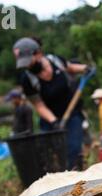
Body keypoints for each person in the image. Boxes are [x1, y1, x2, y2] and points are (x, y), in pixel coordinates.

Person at [12, 37, 90, 170]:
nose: (26, 66)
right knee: (49, 154)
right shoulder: (27, 80)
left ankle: (74, 177)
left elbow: (70, 67)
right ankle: (55, 179)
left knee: (73, 148)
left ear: (38, 54)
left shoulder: (56, 61)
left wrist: (85, 68)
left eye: (28, 61)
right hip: (49, 120)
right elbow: (39, 105)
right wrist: (54, 121)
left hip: (72, 114)